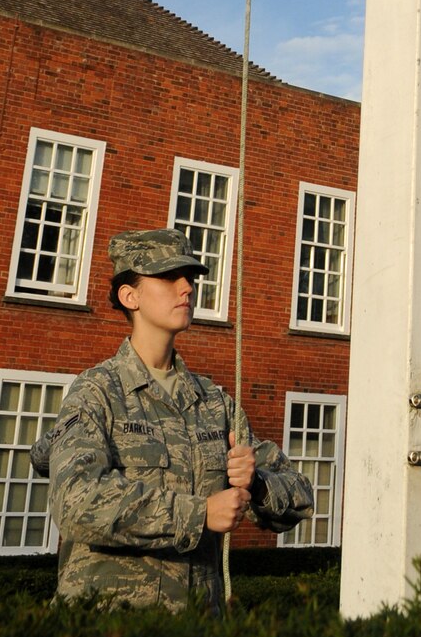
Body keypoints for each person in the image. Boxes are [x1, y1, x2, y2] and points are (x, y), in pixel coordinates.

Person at [31, 228, 313, 610]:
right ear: (129, 296)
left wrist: (257, 483)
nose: (187, 288)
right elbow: (76, 503)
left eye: (190, 278)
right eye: (168, 277)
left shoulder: (214, 404)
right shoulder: (97, 393)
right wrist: (199, 515)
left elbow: (300, 496)